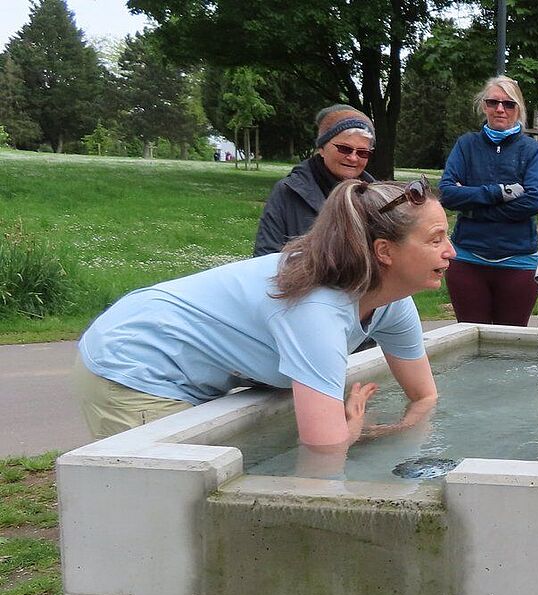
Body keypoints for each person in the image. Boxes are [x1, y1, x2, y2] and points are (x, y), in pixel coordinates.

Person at [76, 178, 454, 467]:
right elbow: (324, 451)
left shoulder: (392, 303)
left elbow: (425, 396)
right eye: (435, 239)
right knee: (172, 511)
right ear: (384, 252)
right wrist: (350, 432)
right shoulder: (316, 312)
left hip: (168, 352)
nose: (450, 252)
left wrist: (400, 432)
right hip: (135, 364)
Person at [437, 76, 538, 325]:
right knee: (469, 340)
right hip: (468, 259)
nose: (500, 109)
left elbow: (535, 201)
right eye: (493, 102)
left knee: (508, 348)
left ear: (518, 109)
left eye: (508, 104)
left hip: (518, 262)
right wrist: (498, 193)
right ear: (484, 106)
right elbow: (447, 193)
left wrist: (473, 207)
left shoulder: (531, 150)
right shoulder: (466, 145)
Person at [254, 105, 377, 256]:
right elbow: (265, 256)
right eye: (344, 149)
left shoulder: (376, 197)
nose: (353, 158)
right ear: (322, 148)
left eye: (363, 153)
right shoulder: (288, 191)